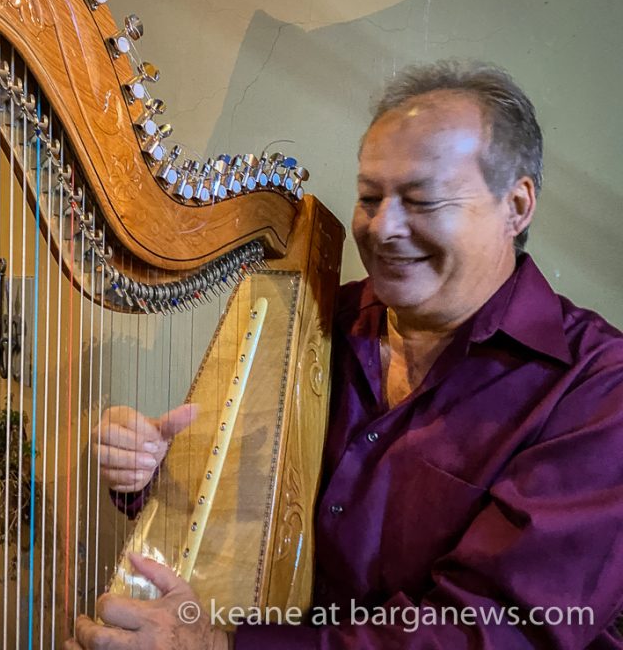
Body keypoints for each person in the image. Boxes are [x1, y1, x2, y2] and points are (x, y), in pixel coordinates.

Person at [71, 61, 623, 649]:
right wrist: (155, 471)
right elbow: (243, 508)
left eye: (422, 200)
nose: (383, 229)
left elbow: (492, 630)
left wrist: (220, 645)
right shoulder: (316, 321)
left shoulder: (596, 387)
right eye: (369, 197)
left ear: (516, 206)